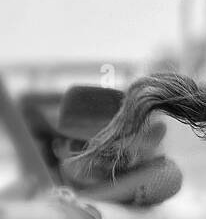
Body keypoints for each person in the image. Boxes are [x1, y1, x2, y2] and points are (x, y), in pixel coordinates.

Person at [22, 84, 182, 205]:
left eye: (110, 153)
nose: (95, 159)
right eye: (82, 146)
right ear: (57, 147)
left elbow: (170, 175)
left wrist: (85, 199)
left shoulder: (124, 173)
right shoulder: (40, 179)